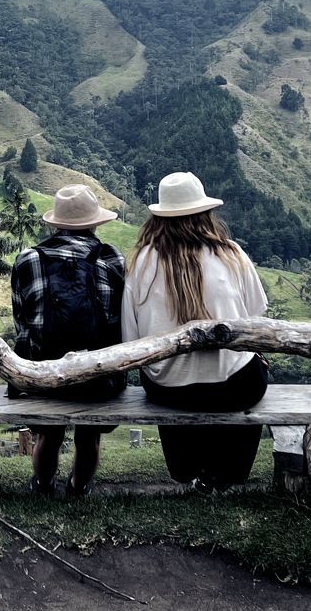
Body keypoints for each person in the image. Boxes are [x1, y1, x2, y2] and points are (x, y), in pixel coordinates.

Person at [122, 172, 269, 492]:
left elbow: (131, 339)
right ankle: (226, 472)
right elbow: (256, 318)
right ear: (205, 213)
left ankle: (188, 468)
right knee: (248, 369)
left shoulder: (141, 262)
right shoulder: (231, 254)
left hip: (167, 389)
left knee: (174, 378)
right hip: (233, 387)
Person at [10, 184, 126, 497]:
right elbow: (120, 321)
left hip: (43, 376)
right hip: (99, 378)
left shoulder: (28, 259)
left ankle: (44, 485)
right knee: (90, 436)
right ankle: (78, 487)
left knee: (48, 435)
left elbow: (22, 322)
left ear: (56, 223)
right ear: (94, 223)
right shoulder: (111, 258)